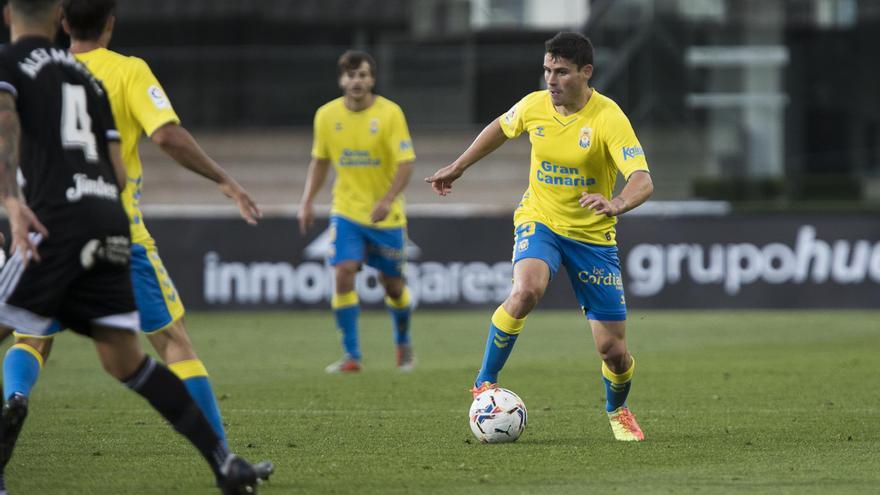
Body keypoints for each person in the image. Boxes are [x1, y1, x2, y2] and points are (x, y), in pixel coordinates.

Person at [0, 0, 273, 482]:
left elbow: (6, 130)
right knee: (149, 350)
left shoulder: (18, 65)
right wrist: (224, 181)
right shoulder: (105, 76)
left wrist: (12, 198)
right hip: (112, 225)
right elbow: (131, 161)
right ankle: (223, 459)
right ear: (109, 23)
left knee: (28, 334)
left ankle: (15, 399)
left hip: (47, 226)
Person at [426, 32, 654, 442]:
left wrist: (617, 203)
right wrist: (459, 166)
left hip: (592, 236)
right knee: (527, 289)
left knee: (613, 353)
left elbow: (642, 179)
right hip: (541, 219)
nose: (551, 79)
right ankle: (484, 382)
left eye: (561, 72)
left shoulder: (608, 117)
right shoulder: (535, 106)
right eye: (547, 69)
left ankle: (617, 409)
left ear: (586, 73)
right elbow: (500, 126)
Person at [298, 50, 417, 373]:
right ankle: (352, 356)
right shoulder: (326, 116)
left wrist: (388, 199)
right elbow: (320, 161)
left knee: (392, 286)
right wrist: (307, 200)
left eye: (363, 75)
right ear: (341, 80)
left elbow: (406, 163)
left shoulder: (390, 114)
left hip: (386, 216)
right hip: (346, 211)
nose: (357, 81)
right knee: (343, 272)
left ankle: (403, 341)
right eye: (351, 76)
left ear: (372, 80)